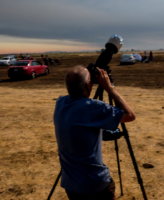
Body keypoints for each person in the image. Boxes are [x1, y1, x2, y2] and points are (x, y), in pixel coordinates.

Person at [54, 66, 136, 200]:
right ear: (88, 85)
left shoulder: (60, 102)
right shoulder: (93, 107)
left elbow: (76, 87)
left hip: (71, 184)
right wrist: (109, 87)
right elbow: (130, 115)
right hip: (95, 184)